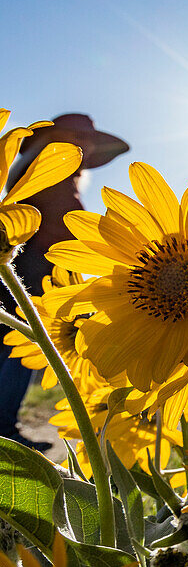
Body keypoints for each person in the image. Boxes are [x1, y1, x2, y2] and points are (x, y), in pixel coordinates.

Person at [0, 114, 128, 451]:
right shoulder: (52, 167)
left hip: (22, 265)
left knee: (13, 347)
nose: (85, 146)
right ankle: (5, 431)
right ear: (60, 136)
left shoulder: (34, 167)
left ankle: (5, 428)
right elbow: (56, 223)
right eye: (79, 137)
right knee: (22, 347)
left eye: (89, 142)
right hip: (30, 268)